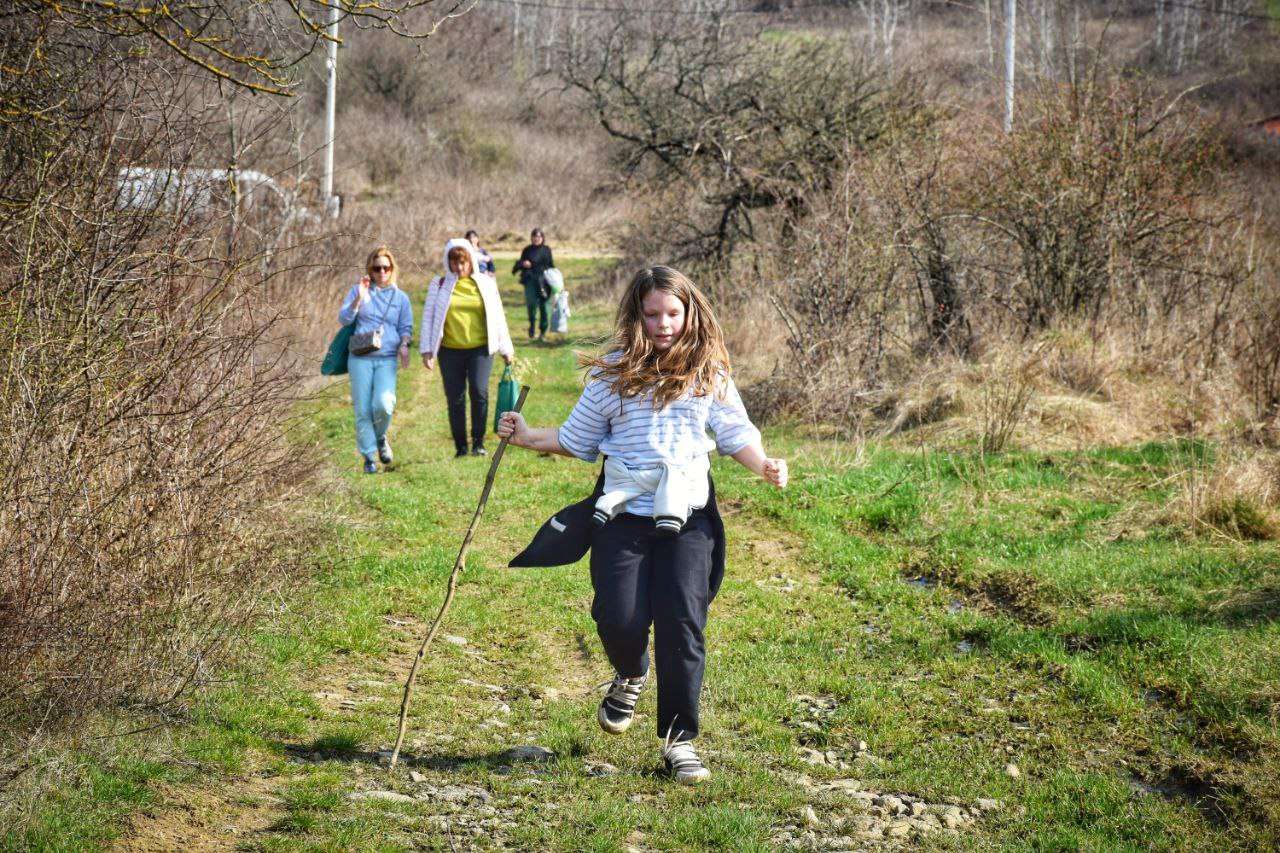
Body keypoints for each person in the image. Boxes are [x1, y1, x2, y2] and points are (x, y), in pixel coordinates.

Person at [497, 266, 788, 784]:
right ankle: (631, 671)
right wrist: (524, 436)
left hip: (689, 516)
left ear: (689, 312)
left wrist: (762, 463)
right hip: (623, 514)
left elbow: (735, 430)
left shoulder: (708, 371)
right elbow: (576, 439)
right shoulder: (612, 373)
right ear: (637, 315)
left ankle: (681, 741)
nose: (663, 324)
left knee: (682, 621)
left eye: (672, 313)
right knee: (619, 615)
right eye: (652, 314)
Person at [420, 238, 514, 458]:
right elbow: (428, 317)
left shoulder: (486, 283)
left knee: (479, 392)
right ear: (448, 262)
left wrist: (506, 348)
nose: (459, 267)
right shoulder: (439, 284)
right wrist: (426, 350)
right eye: (454, 262)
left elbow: (498, 315)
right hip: (450, 350)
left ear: (471, 260)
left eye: (463, 262)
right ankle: (461, 447)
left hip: (480, 349)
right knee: (455, 397)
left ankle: (478, 443)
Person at [338, 245, 413, 474]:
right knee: (362, 409)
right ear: (370, 269)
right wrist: (358, 299)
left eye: (386, 268)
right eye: (377, 268)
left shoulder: (401, 298)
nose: (382, 272)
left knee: (384, 404)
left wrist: (404, 345)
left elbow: (406, 327)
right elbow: (344, 319)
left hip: (386, 358)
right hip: (360, 358)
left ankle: (381, 437)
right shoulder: (359, 290)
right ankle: (369, 456)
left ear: (392, 270)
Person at [512, 227, 554, 340]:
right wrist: (523, 264)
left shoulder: (546, 250)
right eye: (534, 236)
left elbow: (550, 266)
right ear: (531, 238)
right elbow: (520, 263)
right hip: (530, 280)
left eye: (539, 236)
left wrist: (535, 265)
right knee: (531, 305)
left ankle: (543, 332)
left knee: (544, 307)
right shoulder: (527, 250)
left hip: (544, 281)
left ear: (542, 238)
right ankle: (532, 326)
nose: (536, 239)